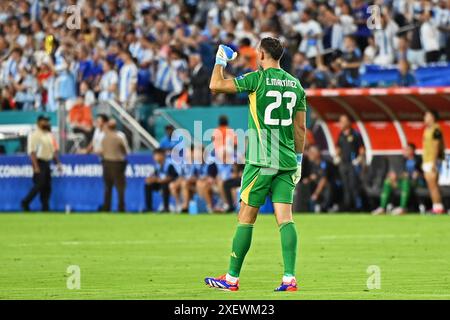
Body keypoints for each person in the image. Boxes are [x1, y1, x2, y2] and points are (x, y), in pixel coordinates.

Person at [204, 37, 307, 292]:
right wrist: (299, 159)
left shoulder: (256, 79)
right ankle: (289, 278)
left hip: (262, 159)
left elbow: (215, 85)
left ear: (261, 55)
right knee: (285, 218)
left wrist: (220, 60)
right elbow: (301, 127)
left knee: (246, 217)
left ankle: (231, 278)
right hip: (286, 160)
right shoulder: (295, 85)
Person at [21, 115, 62, 211]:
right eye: (45, 121)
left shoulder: (48, 134)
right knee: (39, 184)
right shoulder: (34, 135)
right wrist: (35, 166)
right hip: (39, 162)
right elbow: (32, 152)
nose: (47, 123)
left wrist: (58, 163)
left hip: (47, 162)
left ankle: (45, 206)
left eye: (47, 121)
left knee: (47, 186)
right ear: (39, 122)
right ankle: (25, 202)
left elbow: (53, 151)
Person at [372, 143, 424, 215]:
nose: (404, 151)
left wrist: (415, 174)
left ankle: (403, 208)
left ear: (412, 151)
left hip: (417, 183)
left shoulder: (419, 160)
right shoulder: (402, 160)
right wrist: (395, 179)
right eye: (404, 150)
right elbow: (401, 174)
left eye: (407, 150)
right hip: (403, 181)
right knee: (387, 182)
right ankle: (382, 208)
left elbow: (420, 173)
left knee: (405, 182)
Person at [335, 114, 365, 211]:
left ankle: (358, 207)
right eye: (340, 121)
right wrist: (337, 157)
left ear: (349, 122)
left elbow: (362, 149)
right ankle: (347, 207)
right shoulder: (341, 135)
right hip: (344, 164)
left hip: (353, 164)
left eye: (343, 121)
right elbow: (338, 148)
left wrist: (359, 159)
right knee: (345, 186)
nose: (341, 124)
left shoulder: (356, 134)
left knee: (354, 185)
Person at [100, 119, 129, 212]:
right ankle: (121, 207)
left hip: (106, 163)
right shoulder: (118, 138)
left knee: (108, 187)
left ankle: (106, 207)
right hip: (118, 164)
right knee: (120, 187)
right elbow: (125, 150)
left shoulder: (104, 138)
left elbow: (102, 151)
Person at [422, 110, 446, 214]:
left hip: (433, 160)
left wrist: (434, 162)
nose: (424, 118)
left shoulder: (436, 129)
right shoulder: (427, 129)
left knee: (433, 185)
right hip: (427, 160)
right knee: (431, 186)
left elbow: (437, 146)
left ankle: (438, 207)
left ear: (432, 117)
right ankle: (436, 206)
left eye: (426, 116)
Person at [145, 148, 178, 212]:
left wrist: (159, 180)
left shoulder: (169, 164)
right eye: (154, 156)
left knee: (165, 186)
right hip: (160, 183)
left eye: (156, 155)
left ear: (162, 155)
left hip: (171, 184)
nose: (155, 158)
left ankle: (166, 208)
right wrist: (150, 179)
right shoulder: (158, 165)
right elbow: (154, 175)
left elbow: (173, 176)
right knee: (147, 186)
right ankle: (148, 208)